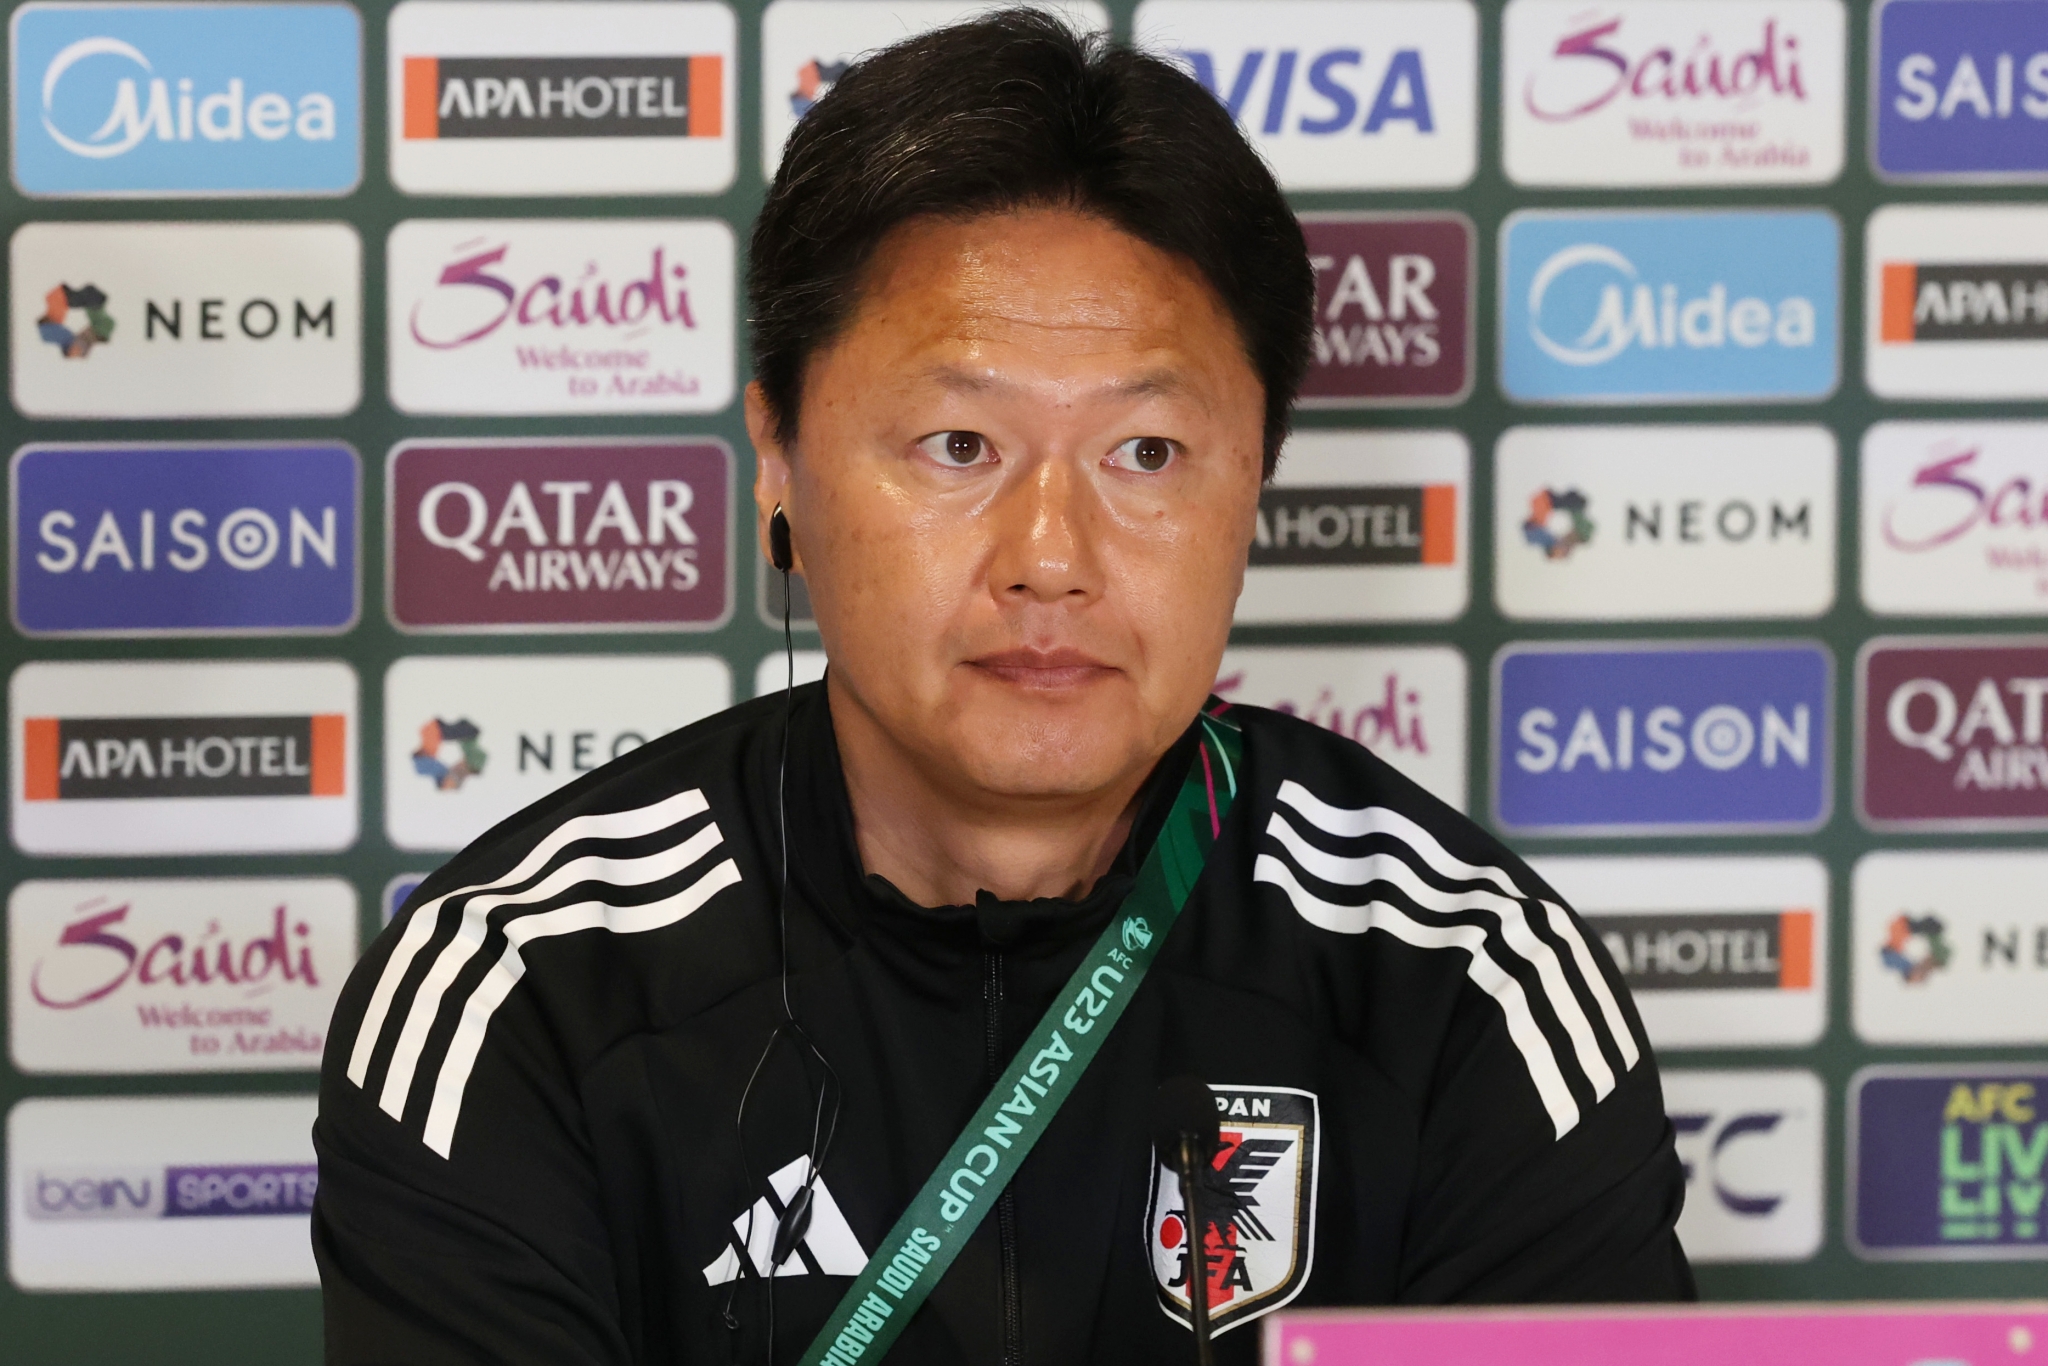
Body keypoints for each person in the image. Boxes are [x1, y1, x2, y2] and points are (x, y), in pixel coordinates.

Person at [313, 12, 1693, 1364]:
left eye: (1146, 453)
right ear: (778, 457)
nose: (1051, 558)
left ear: (1258, 480)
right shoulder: (526, 995)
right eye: (959, 443)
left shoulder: (1461, 984)